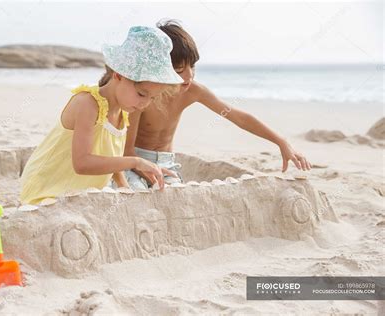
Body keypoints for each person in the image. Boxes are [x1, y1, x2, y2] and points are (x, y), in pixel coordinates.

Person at [124, 20, 311, 190]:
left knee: (173, 195)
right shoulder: (143, 95)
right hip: (135, 161)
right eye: (180, 69)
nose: (189, 76)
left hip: (167, 163)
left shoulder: (193, 90)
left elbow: (238, 117)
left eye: (193, 67)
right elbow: (126, 151)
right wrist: (146, 172)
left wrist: (281, 142)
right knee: (137, 193)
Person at [20, 26, 183, 205]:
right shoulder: (87, 103)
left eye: (152, 98)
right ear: (119, 75)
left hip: (79, 194)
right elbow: (81, 163)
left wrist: (123, 186)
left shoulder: (123, 110)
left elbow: (113, 159)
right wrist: (135, 162)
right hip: (48, 189)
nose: (145, 104)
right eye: (142, 94)